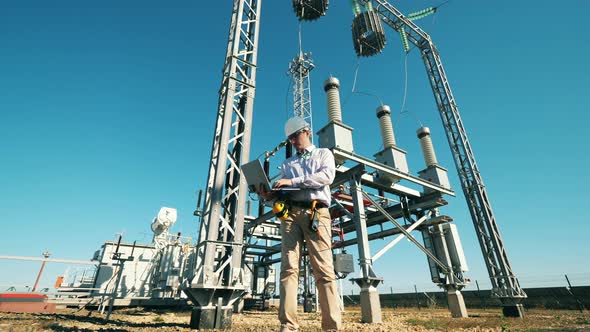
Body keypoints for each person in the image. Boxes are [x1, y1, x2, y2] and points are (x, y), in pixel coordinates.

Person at [258, 117, 342, 332]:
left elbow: (326, 176)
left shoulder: (324, 154)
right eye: (290, 139)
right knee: (288, 269)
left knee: (323, 270)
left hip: (317, 212)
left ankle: (331, 327)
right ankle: (288, 325)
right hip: (290, 215)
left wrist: (292, 181)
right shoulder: (288, 164)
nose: (293, 142)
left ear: (307, 132)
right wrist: (268, 195)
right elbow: (284, 191)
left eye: (295, 136)